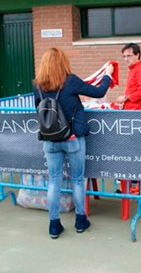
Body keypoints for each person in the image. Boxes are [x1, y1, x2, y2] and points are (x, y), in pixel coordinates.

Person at [33, 47, 113, 239]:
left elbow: (38, 107)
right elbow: (99, 92)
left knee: (54, 181)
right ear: (63, 62)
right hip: (72, 138)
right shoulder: (71, 81)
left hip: (50, 139)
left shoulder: (37, 85)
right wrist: (108, 76)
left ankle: (54, 225)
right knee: (77, 180)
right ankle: (80, 220)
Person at [115, 43, 141, 194]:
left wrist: (126, 97)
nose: (126, 59)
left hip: (138, 116)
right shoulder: (134, 70)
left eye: (129, 55)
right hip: (133, 115)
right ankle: (135, 182)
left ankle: (138, 183)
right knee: (133, 150)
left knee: (135, 150)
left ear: (137, 55)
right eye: (124, 56)